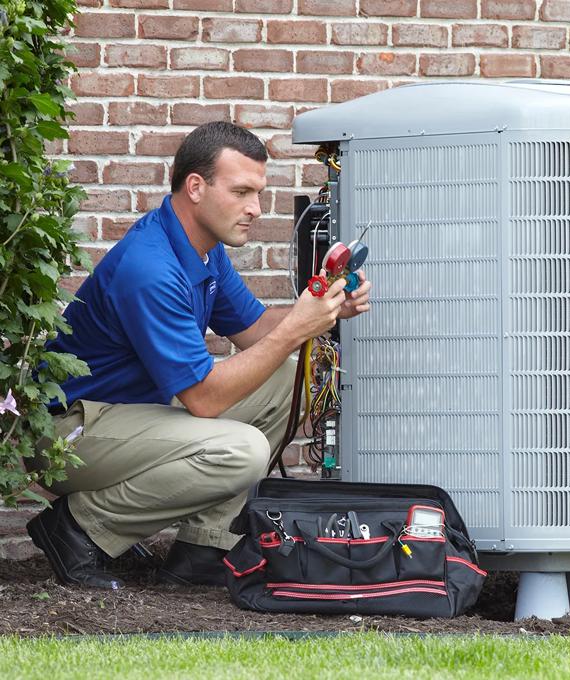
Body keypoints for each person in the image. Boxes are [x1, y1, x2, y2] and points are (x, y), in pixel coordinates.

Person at [25, 122, 371, 589]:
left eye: (259, 194)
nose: (255, 209)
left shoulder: (202, 250)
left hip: (128, 414)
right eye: (242, 192)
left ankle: (202, 550)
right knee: (240, 450)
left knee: (293, 378)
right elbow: (204, 400)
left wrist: (326, 309)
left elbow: (254, 333)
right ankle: (78, 528)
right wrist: (295, 328)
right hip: (69, 434)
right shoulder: (151, 268)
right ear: (196, 187)